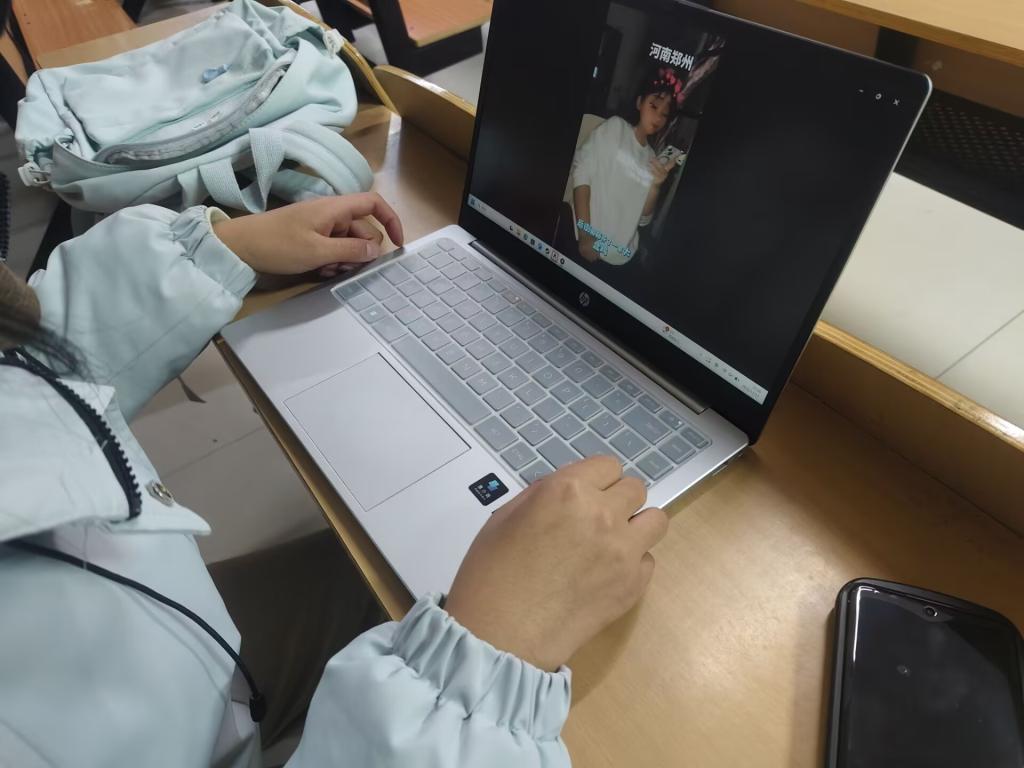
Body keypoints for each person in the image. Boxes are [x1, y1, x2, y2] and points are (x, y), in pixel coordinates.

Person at [0, 190, 668, 765]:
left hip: (155, 645)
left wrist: (215, 253)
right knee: (421, 576)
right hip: (167, 713)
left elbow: (25, 363)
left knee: (385, 566)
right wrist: (479, 675)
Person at [571, 67, 685, 268]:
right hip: (588, 243)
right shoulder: (616, 128)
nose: (658, 117)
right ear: (639, 103)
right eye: (654, 106)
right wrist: (585, 233)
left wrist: (655, 186)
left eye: (665, 114)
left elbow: (643, 220)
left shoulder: (652, 158)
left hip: (623, 256)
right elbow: (581, 173)